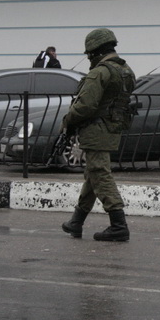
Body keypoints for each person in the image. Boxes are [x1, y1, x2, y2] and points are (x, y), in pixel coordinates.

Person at [60, 28, 136, 241]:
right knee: (93, 174)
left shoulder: (100, 72)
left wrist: (67, 121)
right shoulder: (126, 70)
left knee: (100, 174)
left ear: (94, 51)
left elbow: (86, 105)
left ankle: (119, 225)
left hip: (96, 129)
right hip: (113, 127)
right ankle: (76, 221)